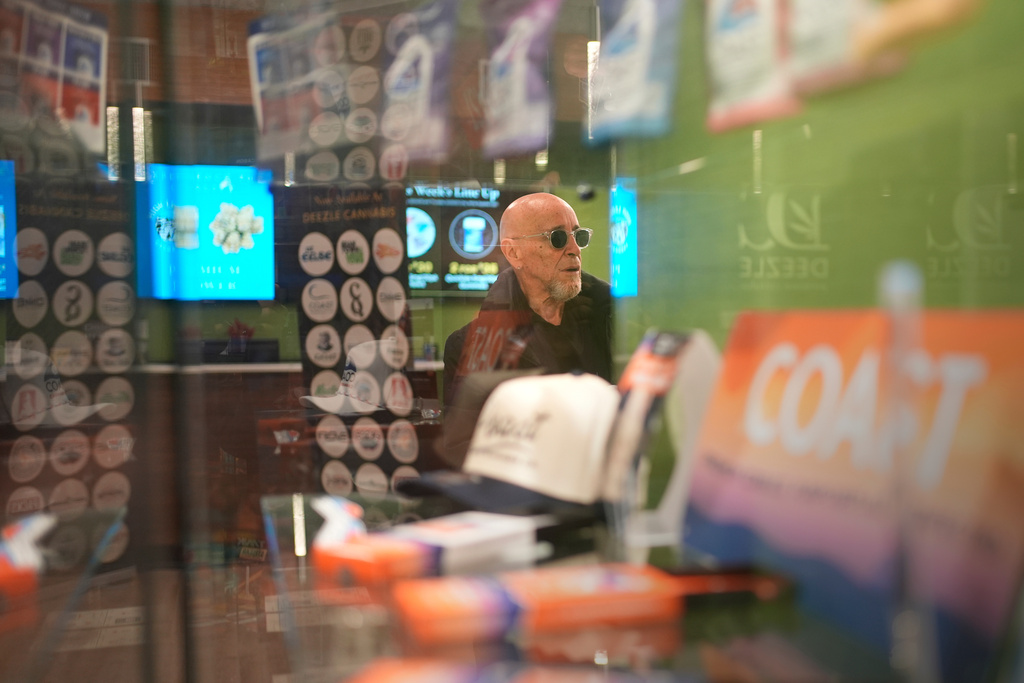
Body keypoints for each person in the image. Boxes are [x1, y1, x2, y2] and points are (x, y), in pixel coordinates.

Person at [440, 193, 613, 463]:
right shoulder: (470, 346)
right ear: (513, 252)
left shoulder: (614, 322)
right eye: (557, 238)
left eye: (578, 237)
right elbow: (466, 451)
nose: (574, 250)